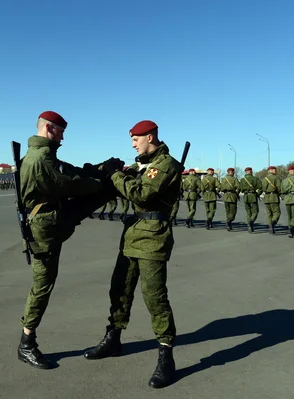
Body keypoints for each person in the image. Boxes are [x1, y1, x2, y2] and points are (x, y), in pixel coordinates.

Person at [83, 120, 183, 389]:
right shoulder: (144, 164)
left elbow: (141, 195)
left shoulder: (165, 165)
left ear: (150, 137)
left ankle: (166, 355)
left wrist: (117, 175)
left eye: (136, 139)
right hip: (133, 233)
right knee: (120, 289)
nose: (133, 143)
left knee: (154, 297)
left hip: (152, 236)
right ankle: (113, 338)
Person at [17, 111, 120, 369]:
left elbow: (70, 171)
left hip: (52, 221)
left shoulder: (45, 155)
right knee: (42, 285)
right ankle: (26, 344)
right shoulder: (40, 158)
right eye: (61, 131)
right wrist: (101, 182)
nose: (63, 137)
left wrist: (100, 169)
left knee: (44, 284)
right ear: (49, 129)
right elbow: (67, 183)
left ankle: (27, 341)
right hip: (46, 228)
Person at [239, 167, 262, 233]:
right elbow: (261, 187)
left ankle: (250, 226)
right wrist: (258, 194)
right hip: (253, 197)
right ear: (251, 171)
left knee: (248, 212)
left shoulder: (242, 180)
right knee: (255, 212)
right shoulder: (255, 179)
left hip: (246, 197)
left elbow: (241, 189)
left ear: (245, 172)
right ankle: (251, 222)